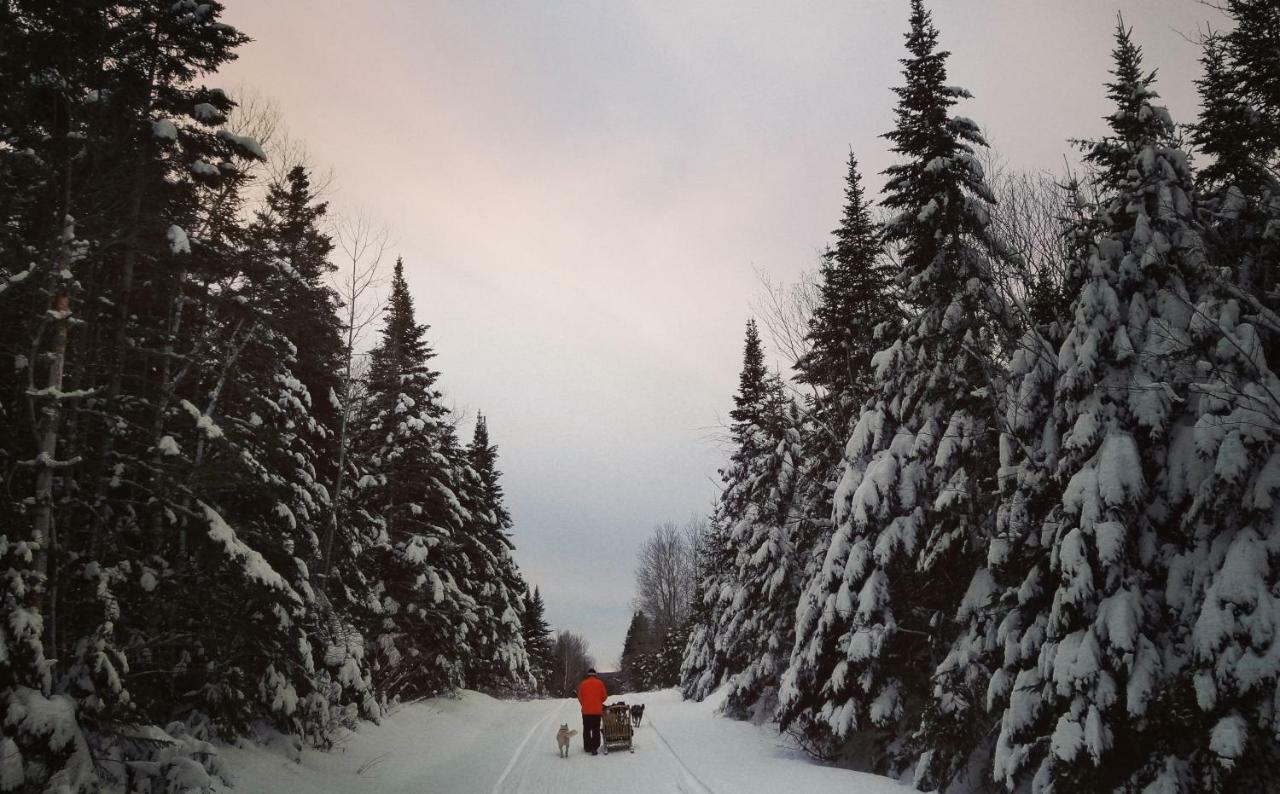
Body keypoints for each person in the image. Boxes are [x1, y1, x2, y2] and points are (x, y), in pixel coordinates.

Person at [576, 668, 607, 754]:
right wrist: (599, 702)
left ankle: (587, 747)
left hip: (586, 711)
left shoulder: (583, 684)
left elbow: (580, 697)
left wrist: (584, 704)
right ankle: (594, 747)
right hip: (597, 711)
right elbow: (604, 696)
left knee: (586, 729)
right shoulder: (600, 683)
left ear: (588, 675)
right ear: (595, 675)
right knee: (596, 729)